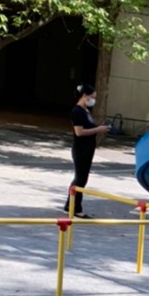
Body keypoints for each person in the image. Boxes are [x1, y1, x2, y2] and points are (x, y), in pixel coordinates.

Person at [64, 84, 108, 217]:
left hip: (88, 147)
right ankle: (76, 208)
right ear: (84, 96)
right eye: (92, 97)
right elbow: (79, 132)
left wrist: (100, 128)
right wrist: (98, 129)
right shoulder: (77, 111)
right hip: (81, 148)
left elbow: (89, 127)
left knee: (82, 177)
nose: (93, 100)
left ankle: (70, 204)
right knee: (80, 178)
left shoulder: (86, 111)